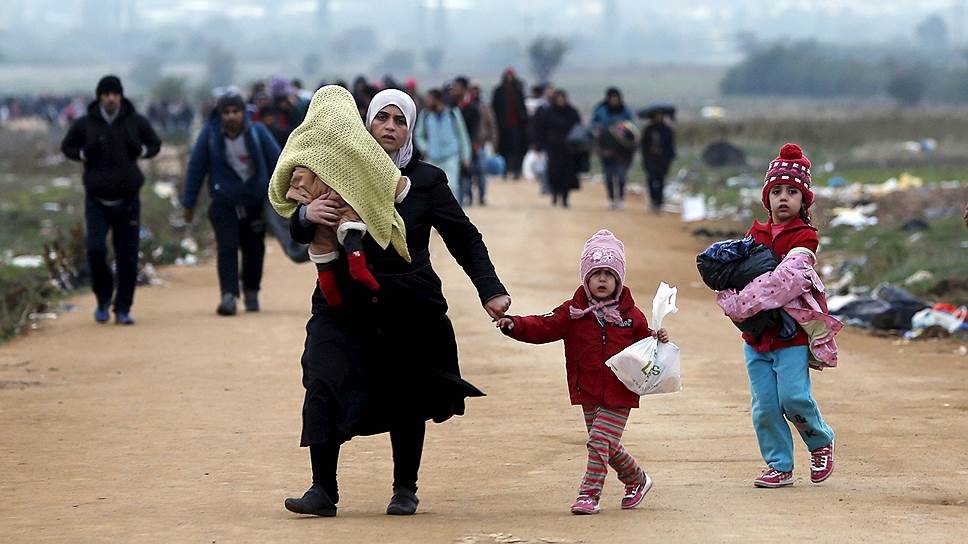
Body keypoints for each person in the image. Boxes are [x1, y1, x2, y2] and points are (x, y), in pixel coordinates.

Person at [282, 88, 511, 517]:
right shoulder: (333, 167)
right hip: (342, 302)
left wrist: (490, 289)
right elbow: (299, 229)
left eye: (399, 120)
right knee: (323, 377)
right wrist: (306, 216)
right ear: (366, 124)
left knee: (407, 391)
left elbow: (463, 237)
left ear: (410, 129)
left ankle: (405, 488)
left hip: (408, 303)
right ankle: (322, 489)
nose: (389, 127)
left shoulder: (426, 182)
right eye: (381, 118)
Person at [495, 229, 669, 514]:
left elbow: (646, 344)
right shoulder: (573, 312)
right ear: (585, 278)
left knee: (599, 441)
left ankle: (589, 494)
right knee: (606, 444)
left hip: (621, 391)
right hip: (587, 390)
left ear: (619, 280)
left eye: (609, 274)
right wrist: (515, 325)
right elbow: (543, 326)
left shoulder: (630, 315)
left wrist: (657, 338)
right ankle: (637, 480)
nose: (602, 279)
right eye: (596, 273)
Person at [715, 143, 837, 488]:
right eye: (777, 191)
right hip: (756, 337)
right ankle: (779, 464)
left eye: (792, 192)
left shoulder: (805, 237)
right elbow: (731, 276)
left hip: (791, 335)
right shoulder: (753, 236)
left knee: (794, 397)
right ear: (766, 198)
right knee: (765, 406)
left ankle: (820, 440)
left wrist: (740, 303)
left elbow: (786, 280)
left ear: (804, 200)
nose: (784, 198)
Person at [60, 75, 162, 325]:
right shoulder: (86, 124)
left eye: (115, 94)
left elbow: (155, 144)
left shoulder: (134, 121)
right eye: (106, 95)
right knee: (95, 249)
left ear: (121, 96)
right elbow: (67, 147)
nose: (110, 99)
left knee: (127, 255)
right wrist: (83, 154)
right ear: (99, 97)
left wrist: (141, 151)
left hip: (128, 200)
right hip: (97, 199)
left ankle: (123, 308)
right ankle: (103, 299)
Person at [180, 91, 281, 316]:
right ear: (220, 114)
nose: (231, 116)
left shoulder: (258, 133)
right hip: (223, 202)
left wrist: (288, 194)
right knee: (227, 246)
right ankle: (228, 295)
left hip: (254, 201)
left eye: (236, 111)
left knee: (254, 248)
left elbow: (279, 162)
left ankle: (251, 291)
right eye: (226, 112)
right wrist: (188, 203)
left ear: (243, 113)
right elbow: (196, 168)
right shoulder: (209, 136)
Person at [413, 88, 472, 199]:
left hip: (450, 156)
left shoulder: (452, 113)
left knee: (451, 187)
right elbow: (418, 135)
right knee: (432, 189)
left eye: (429, 99)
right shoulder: (425, 115)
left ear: (437, 99)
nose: (427, 101)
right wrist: (426, 148)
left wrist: (466, 156)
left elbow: (462, 135)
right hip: (432, 158)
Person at [532, 90, 581, 207]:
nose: (560, 101)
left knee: (567, 174)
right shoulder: (548, 113)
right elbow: (540, 129)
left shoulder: (571, 112)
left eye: (562, 98)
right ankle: (554, 194)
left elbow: (578, 129)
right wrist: (539, 144)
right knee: (554, 173)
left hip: (569, 149)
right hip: (553, 148)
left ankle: (565, 197)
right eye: (558, 98)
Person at [591, 88, 635, 210]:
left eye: (616, 98)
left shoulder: (626, 111)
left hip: (622, 150)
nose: (614, 100)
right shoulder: (601, 111)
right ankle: (611, 199)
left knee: (621, 176)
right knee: (609, 176)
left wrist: (622, 129)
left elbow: (632, 128)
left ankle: (620, 199)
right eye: (612, 98)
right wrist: (597, 130)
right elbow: (593, 125)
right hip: (606, 149)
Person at [491, 68, 529, 179]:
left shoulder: (518, 91)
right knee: (503, 149)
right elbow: (495, 107)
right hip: (502, 126)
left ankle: (516, 170)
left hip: (517, 126)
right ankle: (505, 170)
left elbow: (522, 108)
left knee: (516, 148)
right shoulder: (499, 91)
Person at [467, 81, 499, 205]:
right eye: (472, 89)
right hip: (468, 144)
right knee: (468, 172)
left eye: (476, 89)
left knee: (481, 171)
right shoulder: (465, 106)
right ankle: (469, 196)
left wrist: (493, 142)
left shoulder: (484, 107)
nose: (474, 92)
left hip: (481, 143)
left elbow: (492, 125)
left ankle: (481, 196)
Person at [640, 110, 676, 212]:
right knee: (651, 180)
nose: (659, 117)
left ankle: (659, 202)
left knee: (661, 181)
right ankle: (653, 201)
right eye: (657, 115)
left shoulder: (667, 130)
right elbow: (643, 145)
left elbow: (670, 146)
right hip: (650, 160)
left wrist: (667, 157)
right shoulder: (649, 129)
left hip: (663, 161)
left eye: (661, 115)